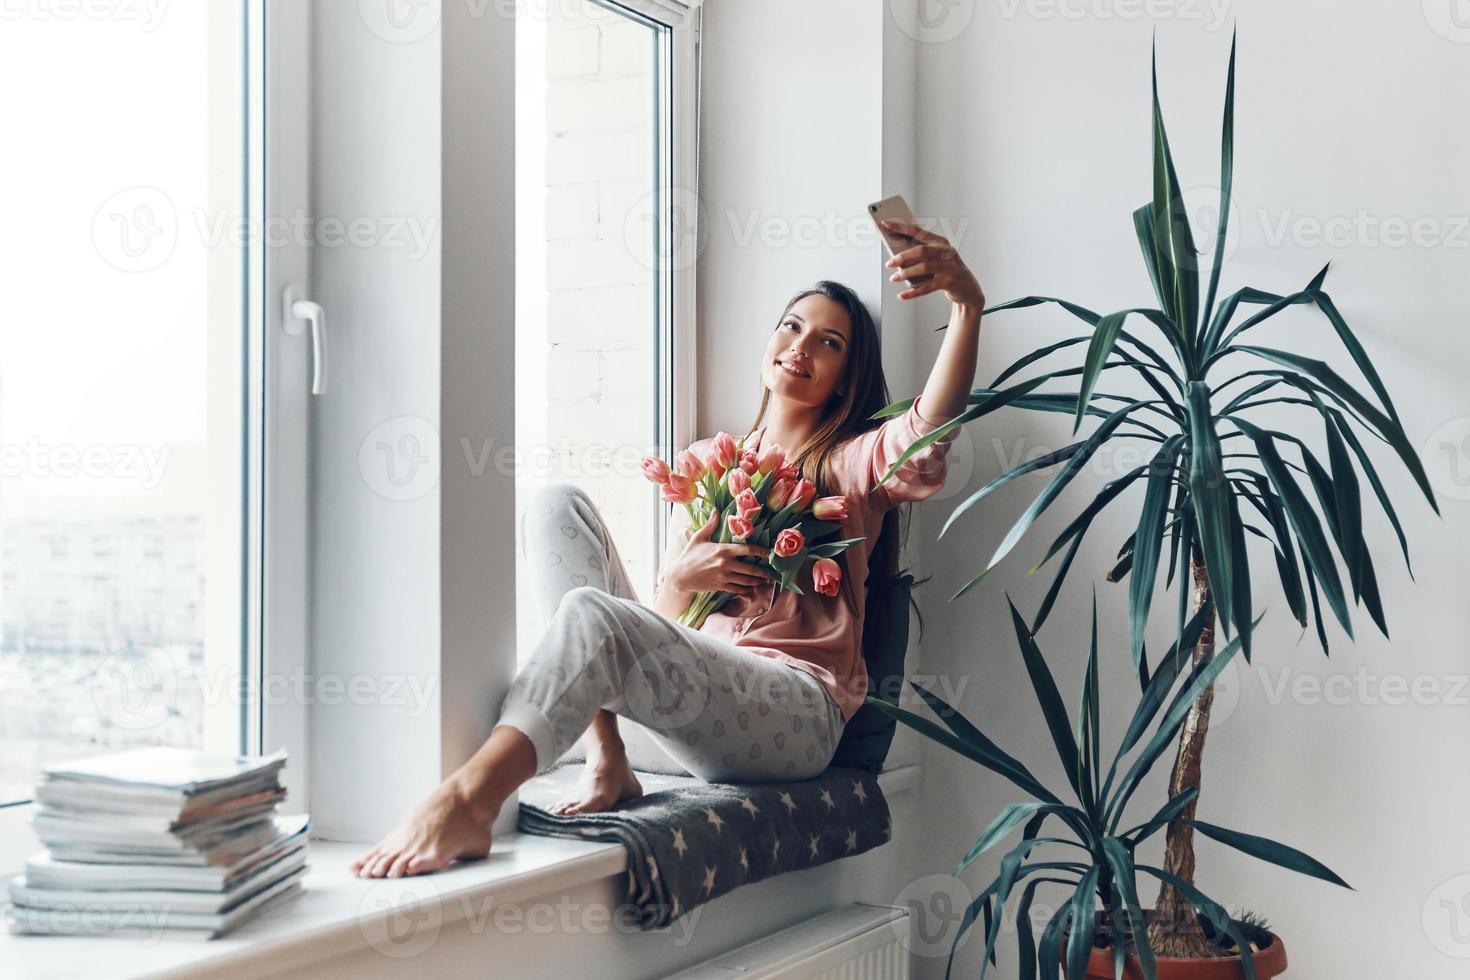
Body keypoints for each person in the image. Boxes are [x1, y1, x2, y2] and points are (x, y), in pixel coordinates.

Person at [351, 217, 985, 878]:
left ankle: (469, 798)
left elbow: (926, 432)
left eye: (829, 342)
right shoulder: (710, 466)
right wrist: (683, 577)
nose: (801, 346)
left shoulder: (850, 466)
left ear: (846, 381)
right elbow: (659, 629)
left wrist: (966, 307)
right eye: (792, 326)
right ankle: (607, 757)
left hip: (791, 718)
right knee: (555, 507)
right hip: (691, 722)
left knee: (596, 616)